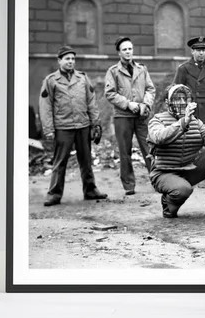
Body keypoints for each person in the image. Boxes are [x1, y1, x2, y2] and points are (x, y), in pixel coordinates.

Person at [147, 84, 205, 219]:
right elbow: (159, 138)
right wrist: (183, 122)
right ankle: (168, 203)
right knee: (182, 190)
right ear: (167, 102)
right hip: (164, 172)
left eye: (185, 99)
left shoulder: (195, 121)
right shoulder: (157, 120)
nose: (182, 102)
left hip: (188, 169)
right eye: (177, 99)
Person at [39, 46, 107, 206]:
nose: (70, 62)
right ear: (59, 61)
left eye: (72, 59)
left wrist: (95, 123)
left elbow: (91, 101)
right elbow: (45, 106)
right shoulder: (51, 80)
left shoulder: (82, 78)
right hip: (63, 126)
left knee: (86, 160)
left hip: (83, 125)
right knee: (60, 161)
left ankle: (90, 190)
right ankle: (54, 194)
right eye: (67, 59)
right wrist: (48, 129)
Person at [104, 37, 156, 196]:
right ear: (119, 52)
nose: (128, 52)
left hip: (141, 116)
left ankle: (158, 181)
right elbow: (110, 93)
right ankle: (129, 186)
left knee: (150, 148)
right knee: (125, 151)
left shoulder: (142, 69)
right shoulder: (113, 71)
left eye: (130, 49)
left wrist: (145, 104)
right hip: (122, 116)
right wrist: (128, 104)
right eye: (124, 49)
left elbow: (150, 89)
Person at [173, 36, 205, 128]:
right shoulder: (183, 69)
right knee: (193, 138)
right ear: (192, 51)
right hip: (192, 111)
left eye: (203, 50)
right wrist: (181, 114)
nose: (201, 53)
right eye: (198, 50)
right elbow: (176, 93)